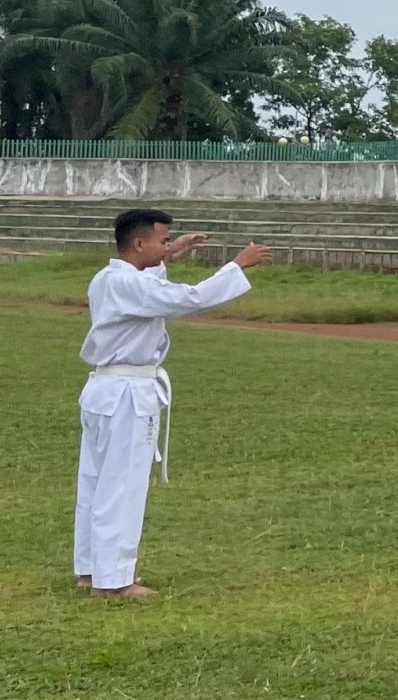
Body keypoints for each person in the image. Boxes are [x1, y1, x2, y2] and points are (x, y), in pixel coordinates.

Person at [74, 209, 272, 599]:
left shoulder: (109, 278)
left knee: (96, 483)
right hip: (127, 393)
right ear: (138, 243)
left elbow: (150, 292)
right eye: (162, 241)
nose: (168, 246)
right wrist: (236, 266)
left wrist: (166, 257)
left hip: (105, 391)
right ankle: (113, 581)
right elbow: (186, 299)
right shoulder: (126, 284)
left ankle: (91, 570)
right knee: (122, 486)